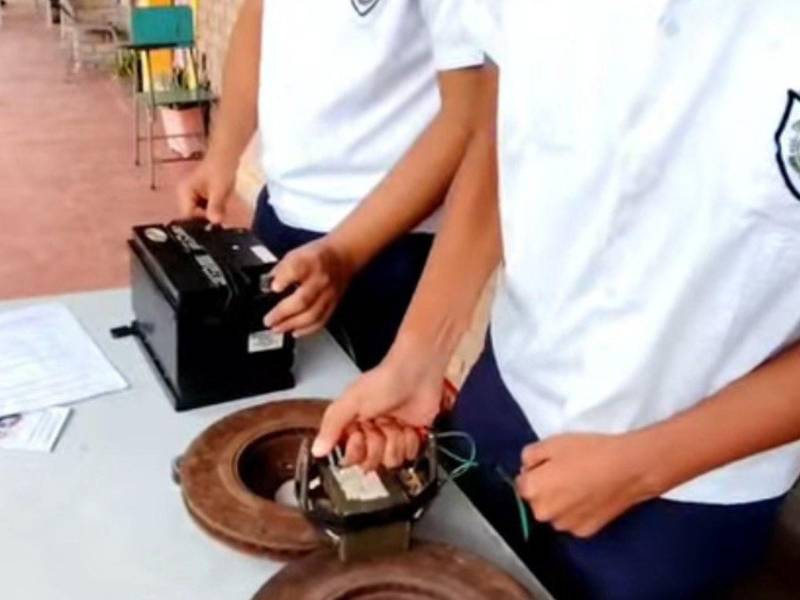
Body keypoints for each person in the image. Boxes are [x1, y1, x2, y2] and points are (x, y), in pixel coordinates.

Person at [311, 2, 800, 598]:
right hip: (503, 401)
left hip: (688, 492)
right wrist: (419, 353)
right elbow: (503, 134)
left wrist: (645, 467)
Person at [178, 0, 483, 370]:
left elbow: (472, 115)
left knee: (361, 417)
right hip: (279, 215)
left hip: (388, 241)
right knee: (264, 392)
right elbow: (257, 18)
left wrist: (344, 254)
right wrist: (221, 156)